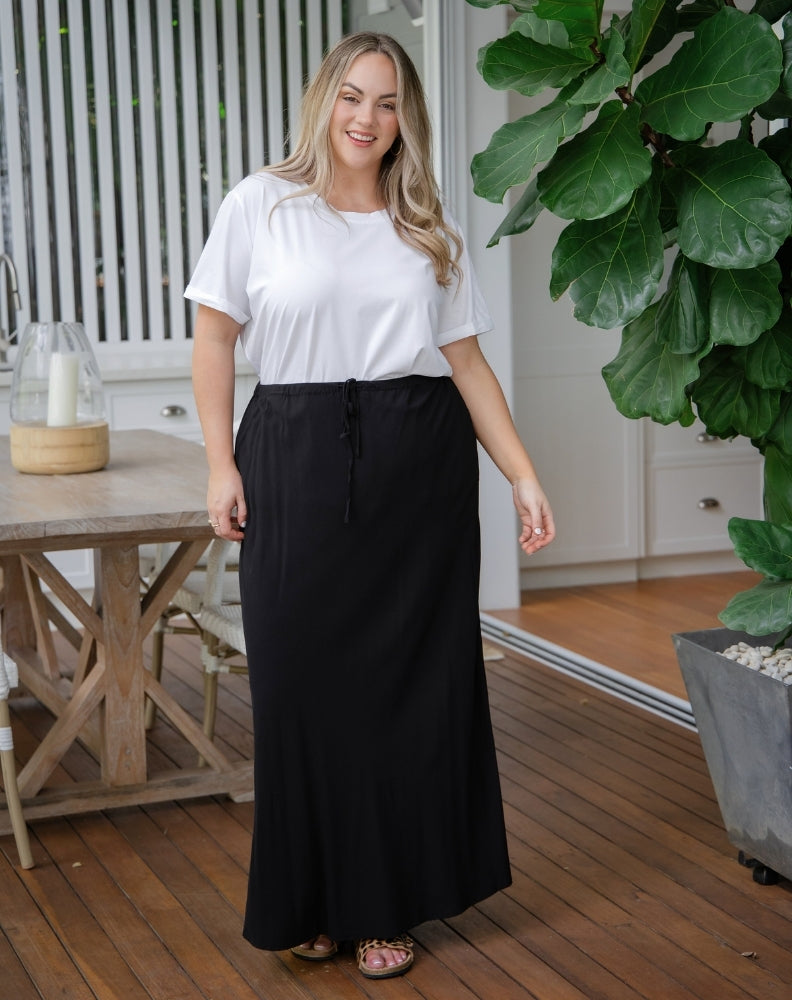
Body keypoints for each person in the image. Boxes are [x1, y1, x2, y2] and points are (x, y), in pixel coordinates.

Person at [185, 30, 555, 982]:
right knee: (299, 687)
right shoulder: (261, 204)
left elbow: (466, 361)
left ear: (405, 118)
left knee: (406, 691)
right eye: (353, 96)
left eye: (388, 103)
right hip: (293, 456)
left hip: (416, 468)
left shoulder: (426, 220)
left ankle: (387, 905)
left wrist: (521, 473)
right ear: (325, 99)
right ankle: (313, 899)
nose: (367, 118)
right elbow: (215, 338)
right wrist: (221, 465)